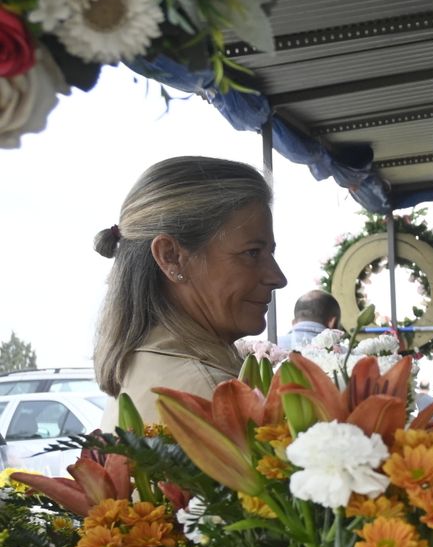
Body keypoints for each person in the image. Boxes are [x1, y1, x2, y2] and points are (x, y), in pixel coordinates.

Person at [92, 156, 287, 425]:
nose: (277, 278)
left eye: (269, 253)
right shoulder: (209, 396)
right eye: (252, 253)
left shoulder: (144, 365)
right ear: (171, 257)